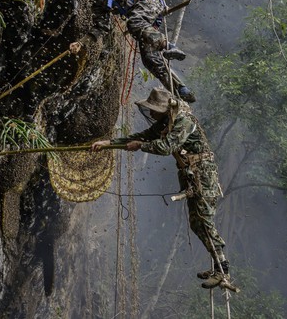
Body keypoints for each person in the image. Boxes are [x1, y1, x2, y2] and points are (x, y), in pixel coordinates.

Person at [91, 87, 231, 289]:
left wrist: (140, 145)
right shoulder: (166, 122)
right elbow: (144, 136)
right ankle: (217, 264)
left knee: (204, 220)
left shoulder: (183, 121)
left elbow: (165, 147)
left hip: (203, 175)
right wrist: (110, 143)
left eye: (154, 109)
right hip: (190, 174)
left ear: (164, 108)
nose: (152, 113)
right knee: (196, 223)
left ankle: (222, 270)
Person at [68, 0, 196, 103]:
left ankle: (169, 46)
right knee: (149, 59)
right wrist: (82, 43)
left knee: (133, 21)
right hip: (143, 22)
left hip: (149, 2)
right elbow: (101, 26)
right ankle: (181, 90)